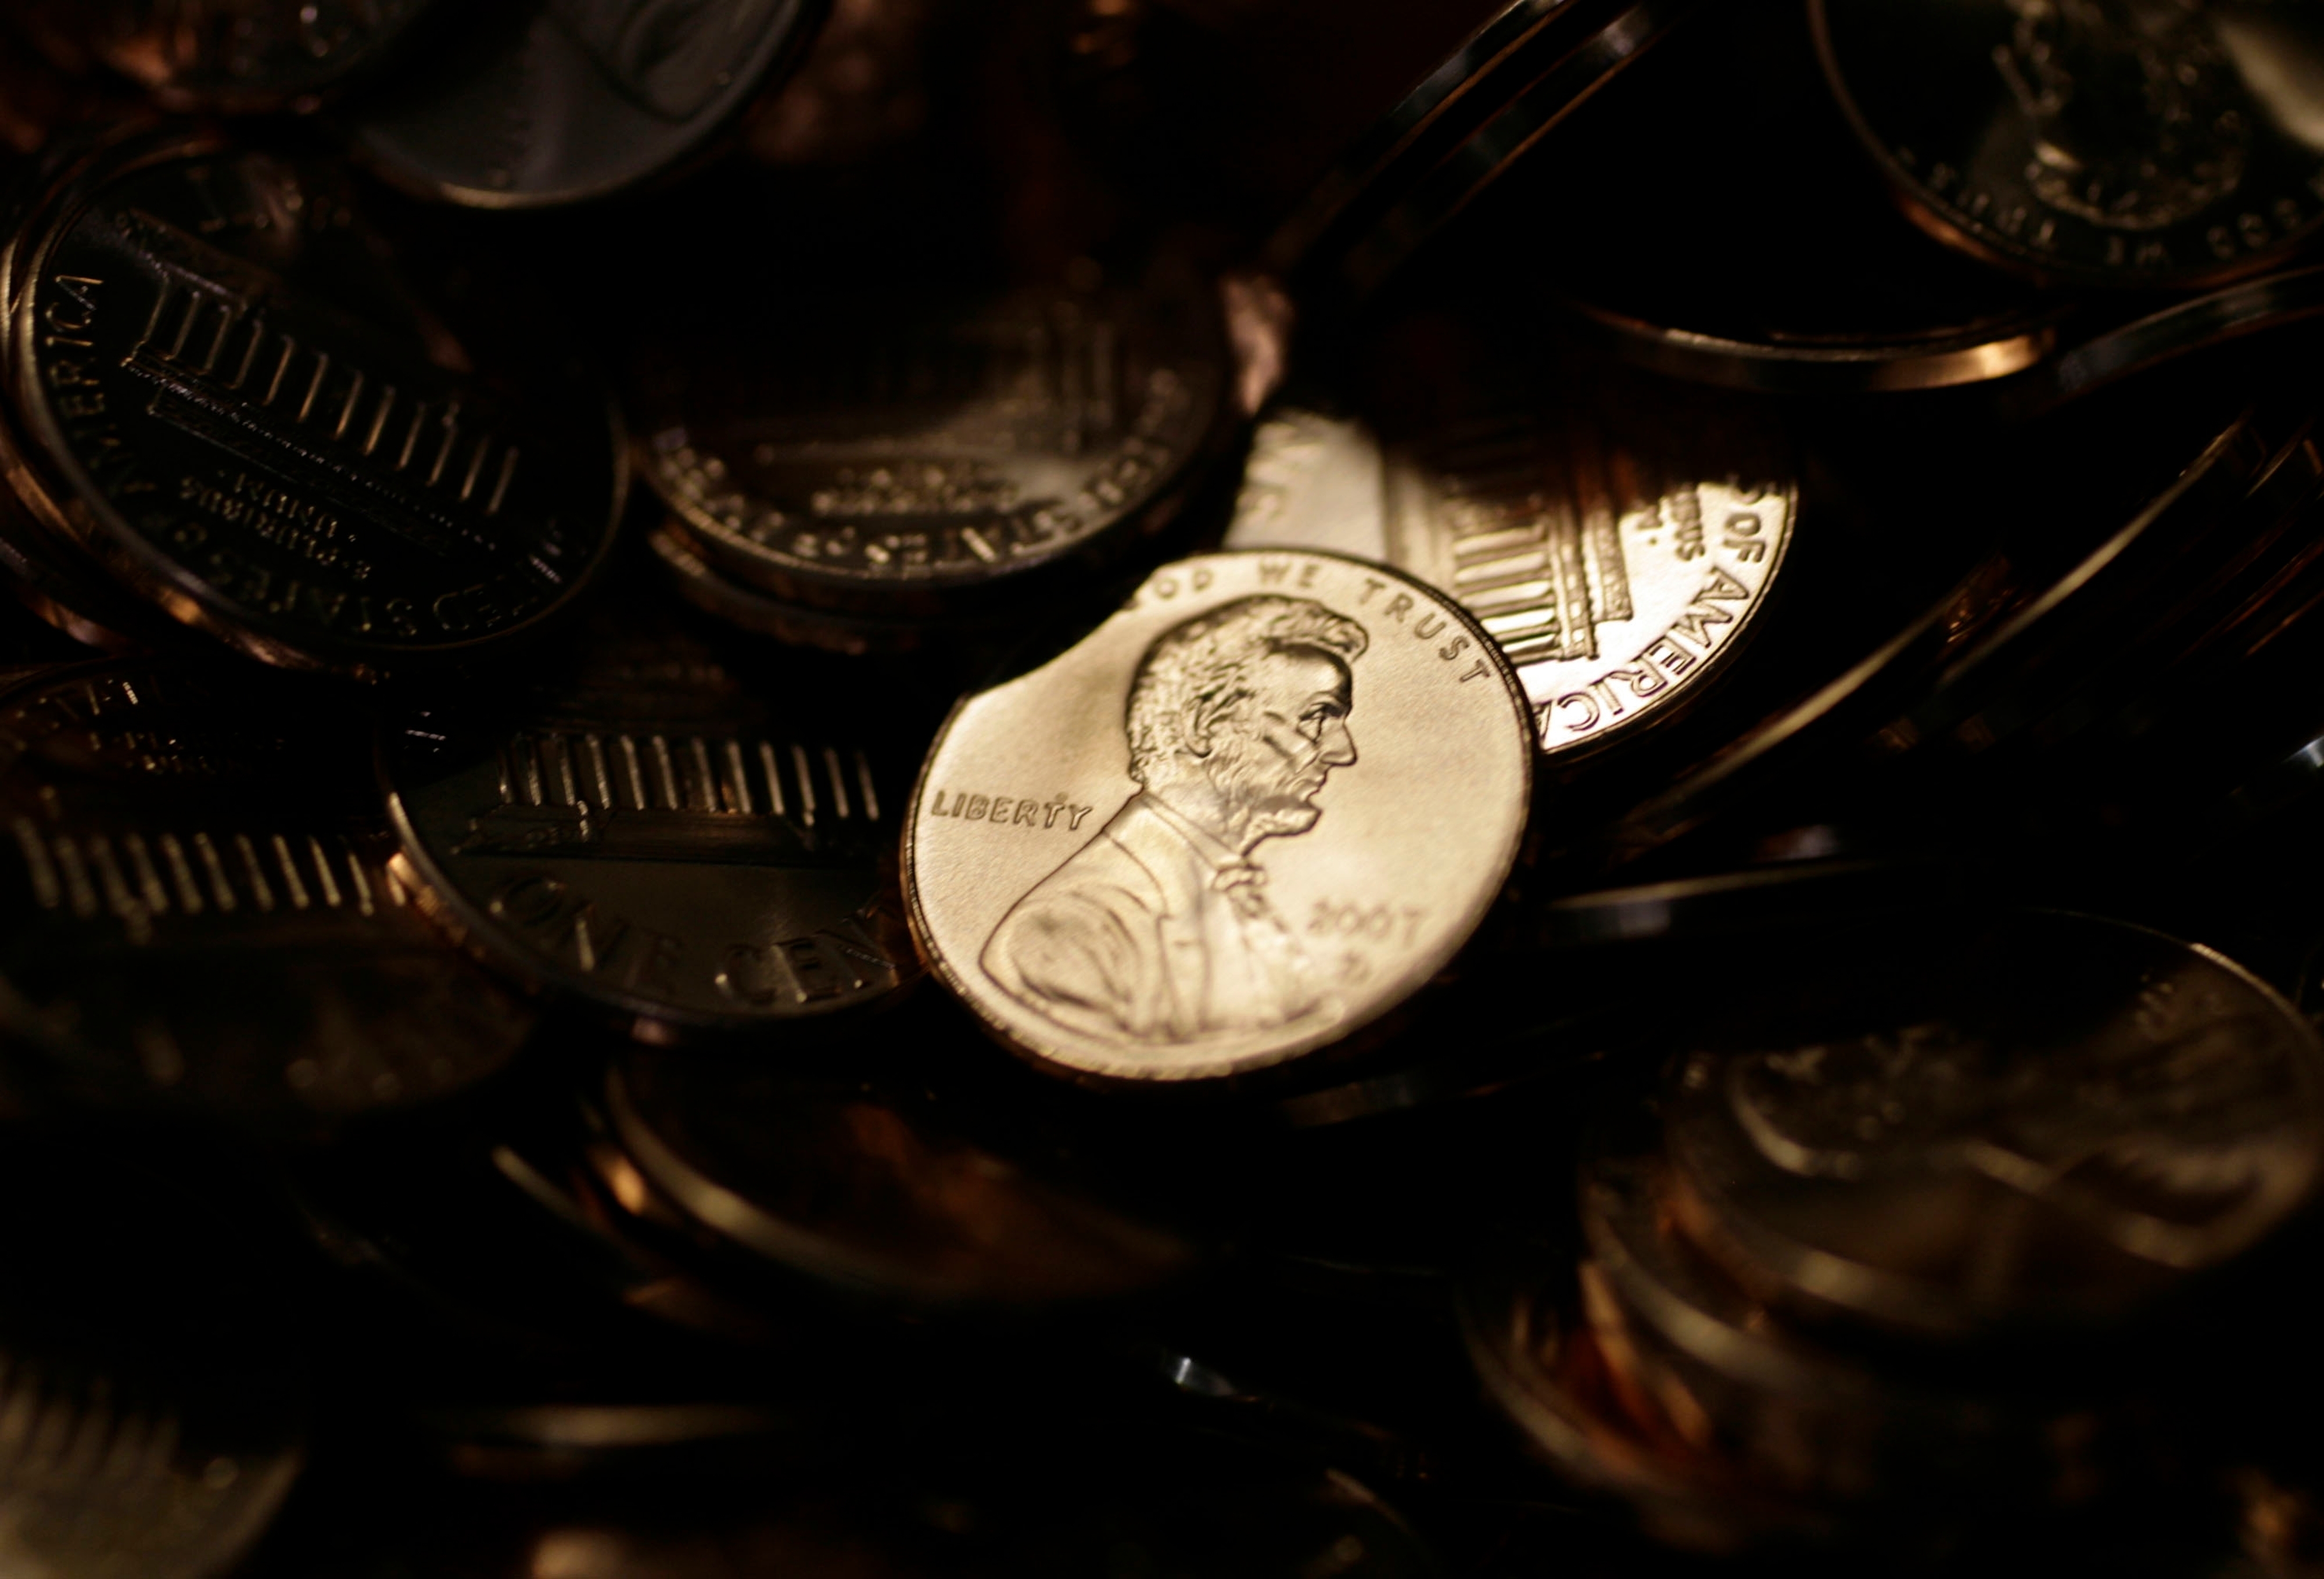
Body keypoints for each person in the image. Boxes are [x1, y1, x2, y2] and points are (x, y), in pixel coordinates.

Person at [983, 595, 1367, 1045]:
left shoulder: (1234, 892)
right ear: (1203, 724)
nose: (1344, 753)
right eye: (1318, 717)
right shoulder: (1070, 927)